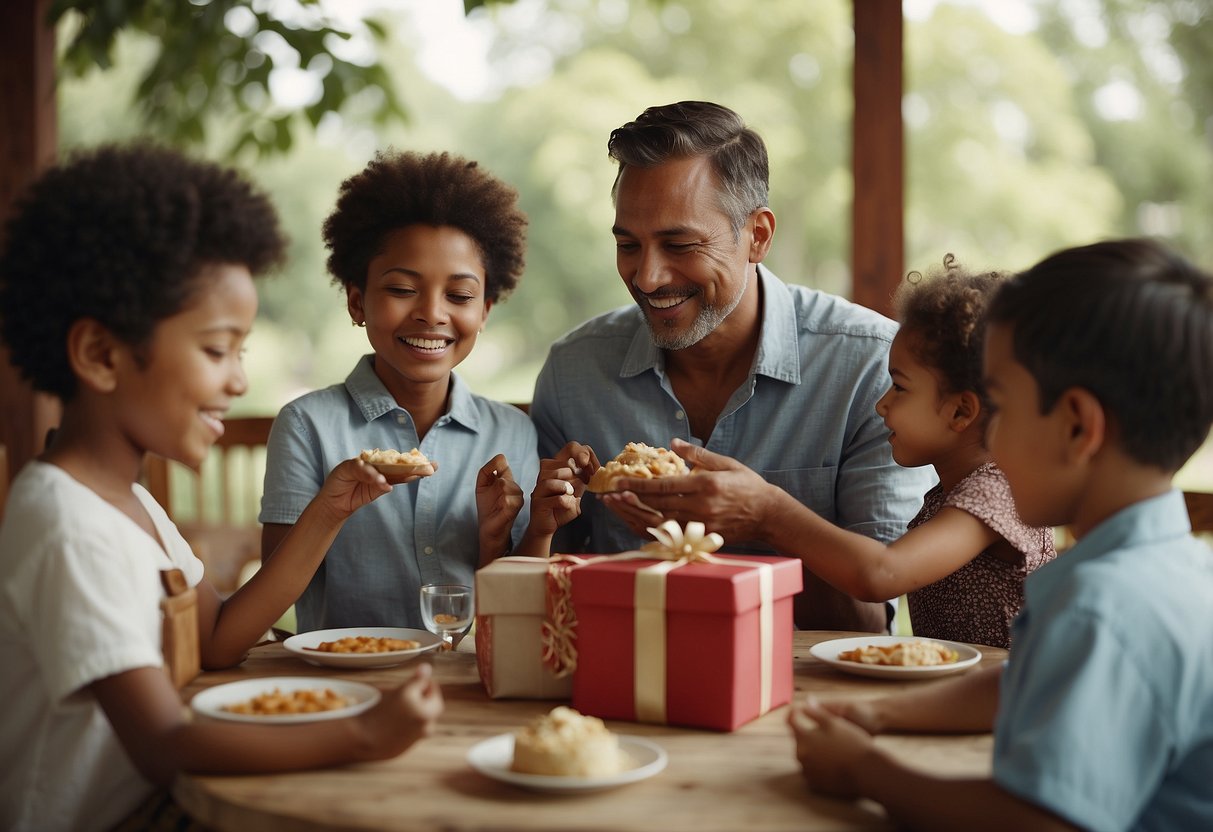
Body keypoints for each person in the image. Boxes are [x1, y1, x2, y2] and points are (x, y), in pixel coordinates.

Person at [0, 145, 444, 832]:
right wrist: (361, 732)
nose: (238, 382)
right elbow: (161, 745)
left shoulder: (130, 501)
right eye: (216, 350)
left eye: (242, 353)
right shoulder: (66, 522)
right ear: (100, 355)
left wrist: (328, 512)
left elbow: (216, 638)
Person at [788, 238, 1213, 830]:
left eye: (1003, 407)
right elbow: (1016, 684)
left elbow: (1038, 821)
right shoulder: (1164, 570)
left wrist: (865, 770)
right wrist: (875, 715)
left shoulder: (1107, 608)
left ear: (1077, 426)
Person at [526, 100, 935, 631]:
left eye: (680, 244)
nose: (647, 277)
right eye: (629, 245)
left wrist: (760, 523)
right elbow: (546, 595)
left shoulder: (869, 365)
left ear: (758, 236)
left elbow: (870, 612)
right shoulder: (574, 372)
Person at [623, 257, 1055, 648]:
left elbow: (880, 575)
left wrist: (769, 512)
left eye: (900, 387)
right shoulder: (950, 493)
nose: (882, 404)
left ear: (961, 410)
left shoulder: (997, 493)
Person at [260, 149, 539, 632]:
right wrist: (330, 508)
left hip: (472, 679)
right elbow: (276, 594)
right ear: (356, 300)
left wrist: (496, 541)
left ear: (486, 311)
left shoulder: (513, 432)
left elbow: (517, 609)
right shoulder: (307, 425)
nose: (432, 313)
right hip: (345, 679)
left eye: (460, 295)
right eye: (402, 289)